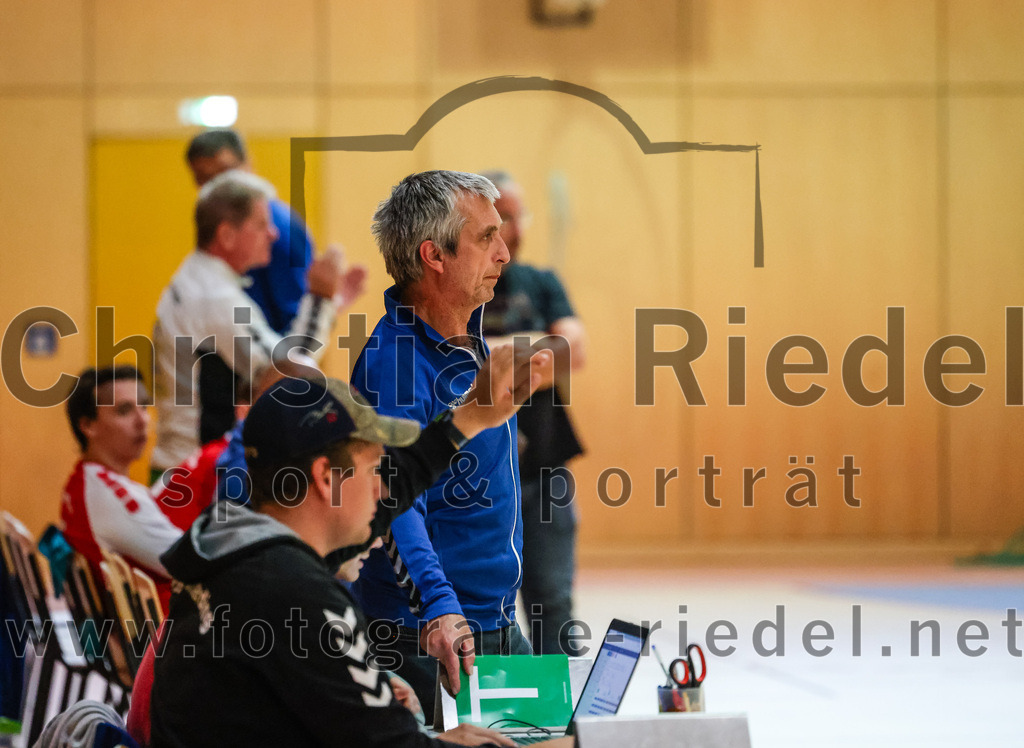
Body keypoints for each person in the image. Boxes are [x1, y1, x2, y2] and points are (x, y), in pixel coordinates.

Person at [148, 362, 570, 747]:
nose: (381, 489)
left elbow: (400, 484)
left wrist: (471, 418)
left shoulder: (230, 543)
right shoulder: (299, 597)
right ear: (325, 480)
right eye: (373, 470)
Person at [351, 171, 555, 714]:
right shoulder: (393, 363)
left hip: (491, 617)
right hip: (431, 632)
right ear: (434, 256)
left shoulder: (472, 342)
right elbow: (391, 501)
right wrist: (440, 609)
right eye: (487, 237)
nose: (505, 253)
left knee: (555, 736)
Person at [151, 169, 365, 475]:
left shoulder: (198, 282)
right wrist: (320, 299)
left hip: (182, 465)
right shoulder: (216, 299)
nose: (273, 234)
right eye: (262, 225)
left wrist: (328, 303)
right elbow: (288, 371)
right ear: (226, 235)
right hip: (196, 473)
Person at [479, 171, 586, 657]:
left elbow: (573, 352)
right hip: (475, 475)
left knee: (553, 601)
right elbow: (449, 362)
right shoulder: (460, 290)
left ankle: (560, 720)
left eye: (518, 216)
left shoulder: (542, 283)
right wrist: (538, 349)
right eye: (502, 217)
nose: (514, 228)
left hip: (543, 469)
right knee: (480, 605)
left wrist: (494, 353)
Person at [60, 366, 221, 610]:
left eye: (144, 406)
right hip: (166, 637)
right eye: (124, 411)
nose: (142, 420)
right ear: (88, 425)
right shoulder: (110, 496)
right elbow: (194, 562)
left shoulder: (83, 481)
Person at [185, 129, 313, 334]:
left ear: (249, 164)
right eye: (204, 179)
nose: (217, 186)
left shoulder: (280, 228)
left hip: (271, 355)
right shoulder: (216, 225)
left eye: (226, 172)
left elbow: (295, 318)